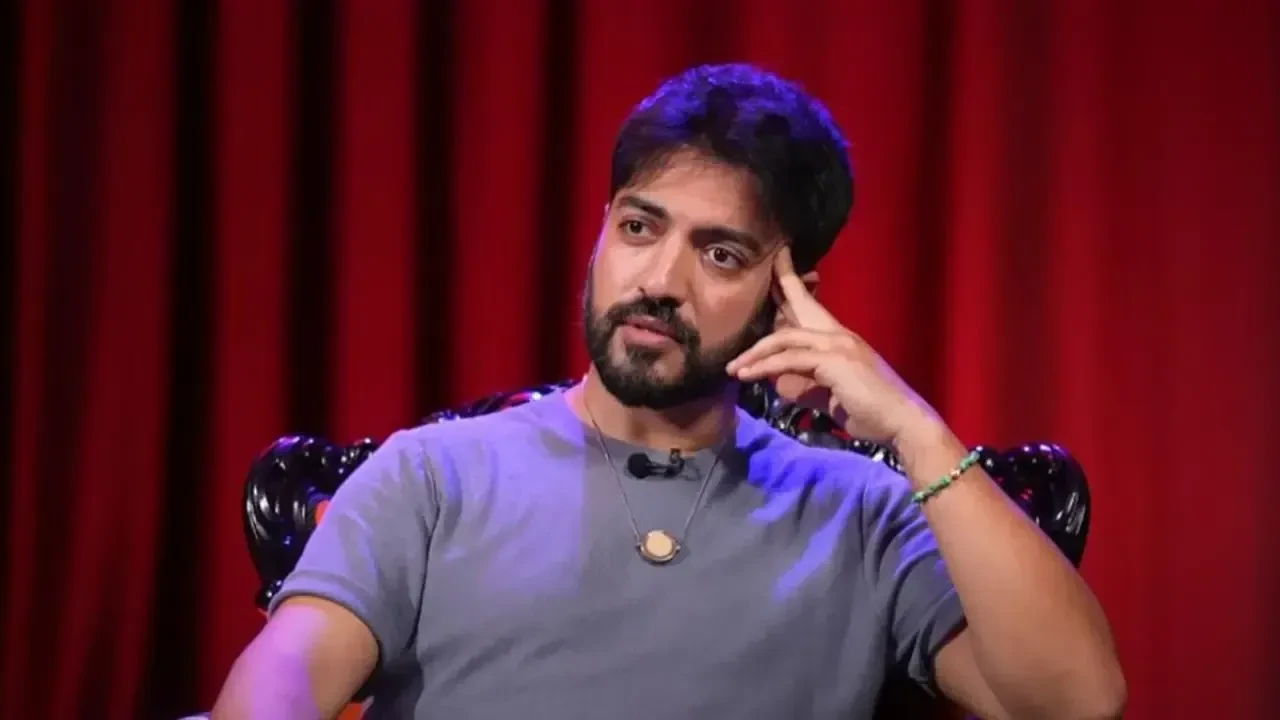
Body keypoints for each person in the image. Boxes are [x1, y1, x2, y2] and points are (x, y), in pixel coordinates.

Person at [212, 63, 1124, 719]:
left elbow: (1078, 702)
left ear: (790, 296)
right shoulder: (432, 477)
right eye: (640, 228)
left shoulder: (864, 514)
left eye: (719, 254)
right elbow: (286, 677)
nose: (659, 280)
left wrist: (918, 433)